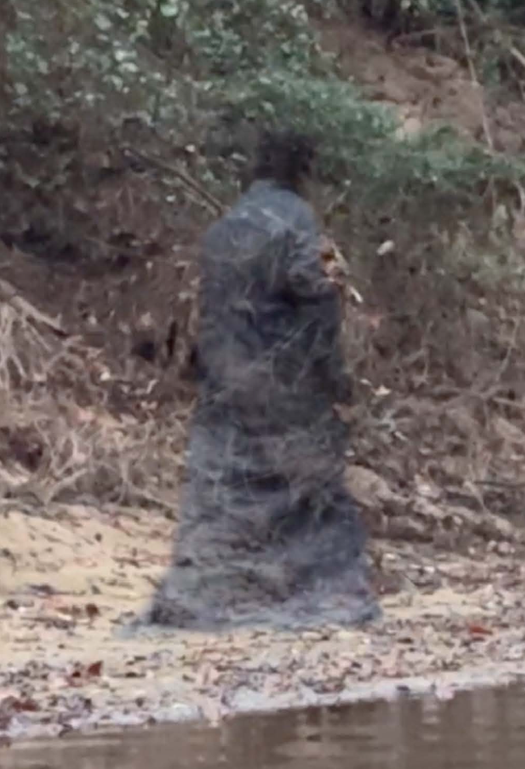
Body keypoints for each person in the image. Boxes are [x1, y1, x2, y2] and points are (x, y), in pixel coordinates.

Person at [145, 131, 380, 630]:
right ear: (302, 172)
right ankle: (334, 600)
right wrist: (334, 380)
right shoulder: (298, 224)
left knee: (220, 498)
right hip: (280, 384)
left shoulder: (223, 228)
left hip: (224, 383)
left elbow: (210, 316)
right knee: (317, 493)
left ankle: (194, 602)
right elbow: (320, 306)